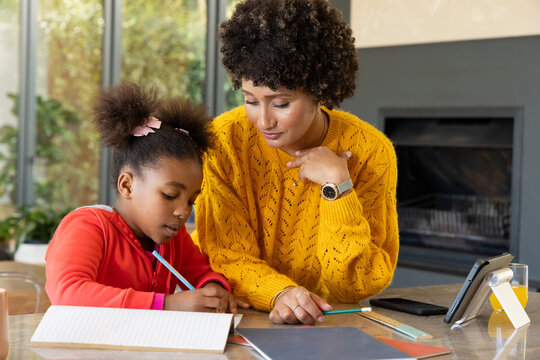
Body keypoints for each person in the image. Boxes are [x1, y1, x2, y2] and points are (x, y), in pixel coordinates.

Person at [193, 0, 399, 325]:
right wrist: (280, 292)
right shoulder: (224, 143)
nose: (263, 120)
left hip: (334, 324)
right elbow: (226, 255)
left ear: (319, 93)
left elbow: (357, 283)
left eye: (281, 103)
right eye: (249, 100)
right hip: (245, 318)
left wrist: (338, 187)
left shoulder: (371, 151)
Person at [46, 82, 248, 314]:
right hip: (86, 349)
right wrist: (166, 304)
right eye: (170, 195)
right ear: (127, 185)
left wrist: (213, 290)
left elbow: (201, 273)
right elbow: (68, 292)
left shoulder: (173, 238)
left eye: (191, 200)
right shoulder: (88, 226)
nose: (183, 211)